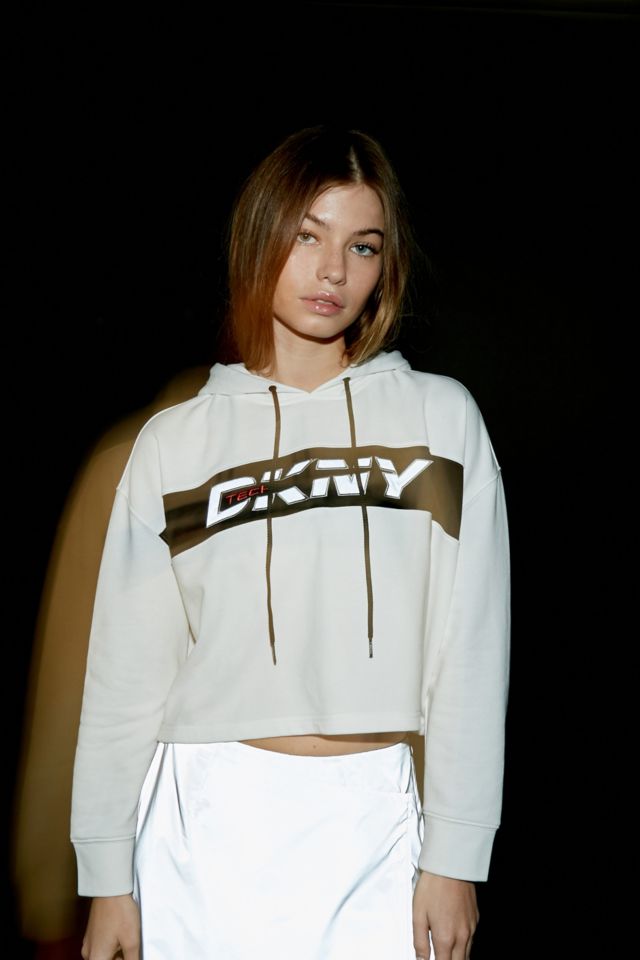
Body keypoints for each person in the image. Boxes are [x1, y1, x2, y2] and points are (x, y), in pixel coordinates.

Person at [70, 124, 511, 960]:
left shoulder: (441, 420)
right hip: (202, 826)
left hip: (377, 820)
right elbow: (124, 674)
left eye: (362, 246)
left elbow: (472, 650)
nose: (334, 271)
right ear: (259, 236)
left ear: (386, 266)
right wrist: (106, 878)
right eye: (308, 236)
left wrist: (457, 855)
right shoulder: (176, 443)